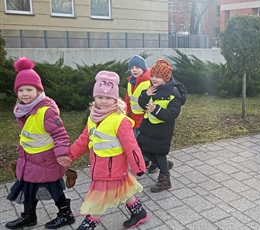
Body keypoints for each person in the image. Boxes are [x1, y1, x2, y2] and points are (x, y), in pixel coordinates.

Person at [57, 71, 148, 229]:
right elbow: (84, 139)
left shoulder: (120, 120)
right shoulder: (93, 117)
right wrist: (70, 155)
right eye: (100, 97)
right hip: (99, 165)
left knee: (100, 196)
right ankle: (138, 212)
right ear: (95, 98)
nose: (104, 101)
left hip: (113, 168)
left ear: (115, 99)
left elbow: (131, 146)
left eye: (108, 98)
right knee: (123, 189)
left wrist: (139, 167)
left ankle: (91, 221)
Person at [5, 57, 75, 229]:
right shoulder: (24, 109)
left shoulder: (46, 111)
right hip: (29, 158)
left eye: (29, 89)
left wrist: (61, 154)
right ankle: (29, 216)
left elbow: (60, 135)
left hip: (47, 160)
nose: (25, 93)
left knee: (53, 187)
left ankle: (66, 214)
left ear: (38, 91)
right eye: (21, 90)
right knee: (28, 187)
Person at [137, 59, 187, 193]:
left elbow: (172, 114)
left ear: (165, 78)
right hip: (148, 127)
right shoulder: (152, 88)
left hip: (162, 131)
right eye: (152, 75)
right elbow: (143, 105)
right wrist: (145, 95)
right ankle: (163, 165)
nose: (153, 79)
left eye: (157, 76)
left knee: (159, 152)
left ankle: (165, 180)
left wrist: (156, 110)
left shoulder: (173, 94)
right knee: (142, 147)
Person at [124, 55, 158, 173]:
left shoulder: (149, 82)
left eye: (137, 67)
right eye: (132, 67)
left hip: (146, 118)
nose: (134, 70)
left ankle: (155, 162)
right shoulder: (131, 82)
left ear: (143, 68)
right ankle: (145, 160)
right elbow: (128, 98)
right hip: (134, 118)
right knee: (138, 142)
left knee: (148, 142)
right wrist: (124, 111)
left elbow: (154, 100)